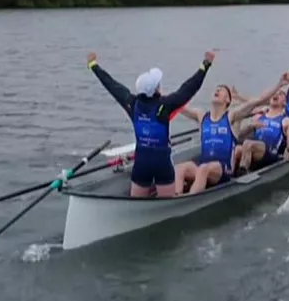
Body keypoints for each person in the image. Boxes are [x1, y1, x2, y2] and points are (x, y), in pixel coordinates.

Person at [87, 49, 216, 198]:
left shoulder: (132, 103)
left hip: (141, 163)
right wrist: (206, 64)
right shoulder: (165, 105)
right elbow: (189, 88)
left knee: (136, 202)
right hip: (162, 164)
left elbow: (111, 85)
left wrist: (93, 65)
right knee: (166, 206)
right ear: (156, 89)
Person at [172, 75, 289, 194]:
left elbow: (258, 100)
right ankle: (176, 196)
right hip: (205, 165)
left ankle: (189, 200)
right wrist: (159, 96)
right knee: (180, 168)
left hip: (223, 169)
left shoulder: (231, 116)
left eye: (221, 90)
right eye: (216, 89)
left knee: (203, 169)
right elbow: (177, 105)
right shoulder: (202, 116)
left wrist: (278, 85)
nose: (217, 90)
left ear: (227, 100)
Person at [233, 87, 289, 173]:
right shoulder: (259, 116)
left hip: (272, 153)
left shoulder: (286, 120)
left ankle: (242, 173)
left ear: (285, 102)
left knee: (248, 144)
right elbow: (239, 137)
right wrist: (250, 126)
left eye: (280, 94)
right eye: (274, 93)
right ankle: (230, 176)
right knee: (236, 149)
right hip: (255, 149)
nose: (276, 94)